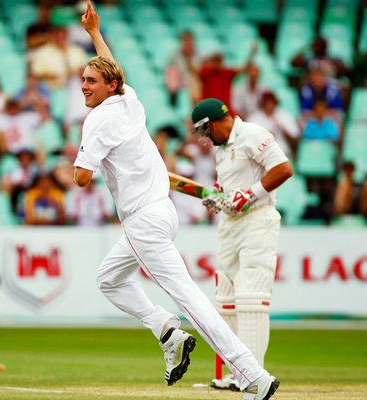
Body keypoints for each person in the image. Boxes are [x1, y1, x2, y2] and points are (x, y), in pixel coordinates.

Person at [73, 2, 279, 399]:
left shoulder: (97, 120)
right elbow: (112, 68)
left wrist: (80, 160)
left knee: (191, 299)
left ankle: (254, 375)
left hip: (142, 221)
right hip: (162, 212)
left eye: (91, 81)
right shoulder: (128, 99)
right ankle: (167, 331)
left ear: (108, 86)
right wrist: (96, 34)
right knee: (108, 279)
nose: (84, 85)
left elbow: (82, 180)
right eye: (83, 79)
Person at [191, 98, 293, 392]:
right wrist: (219, 196)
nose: (205, 139)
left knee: (251, 296)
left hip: (257, 221)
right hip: (230, 225)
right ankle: (237, 373)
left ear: (214, 122)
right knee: (225, 299)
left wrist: (250, 194)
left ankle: (254, 375)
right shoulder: (222, 151)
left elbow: (283, 169)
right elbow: (231, 187)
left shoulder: (253, 134)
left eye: (205, 131)